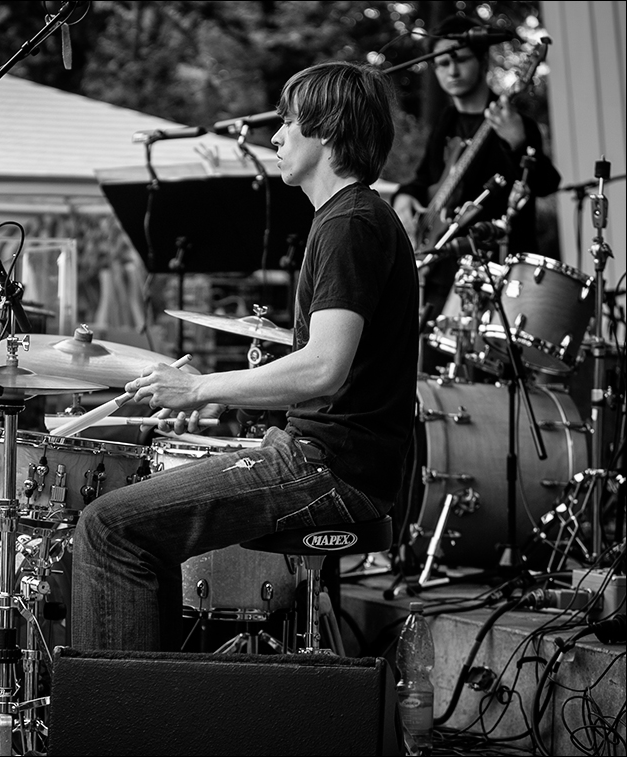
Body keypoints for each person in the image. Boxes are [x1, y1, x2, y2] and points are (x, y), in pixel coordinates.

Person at [69, 61, 418, 652]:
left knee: (107, 528)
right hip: (321, 456)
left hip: (331, 470)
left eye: (287, 122)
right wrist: (233, 409)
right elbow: (338, 380)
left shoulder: (350, 223)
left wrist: (201, 388)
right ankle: (156, 708)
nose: (276, 137)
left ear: (328, 128)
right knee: (126, 527)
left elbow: (323, 368)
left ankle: (126, 723)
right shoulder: (348, 219)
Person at [393, 15, 561, 372]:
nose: (450, 70)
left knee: (487, 377)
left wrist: (517, 143)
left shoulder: (518, 124)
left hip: (494, 274)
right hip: (441, 268)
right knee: (428, 372)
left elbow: (546, 183)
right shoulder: (447, 122)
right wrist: (405, 197)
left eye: (460, 58)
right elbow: (425, 178)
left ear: (482, 61)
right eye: (441, 63)